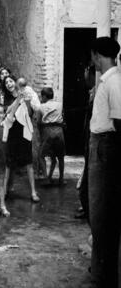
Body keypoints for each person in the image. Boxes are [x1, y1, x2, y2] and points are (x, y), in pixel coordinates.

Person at [88, 37, 121, 288]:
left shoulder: (114, 82)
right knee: (94, 206)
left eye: (93, 55)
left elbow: (118, 121)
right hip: (99, 143)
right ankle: (99, 265)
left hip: (106, 145)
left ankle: (104, 273)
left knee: (102, 211)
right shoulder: (106, 81)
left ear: (97, 55)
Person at [3, 75, 40, 202]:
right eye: (6, 82)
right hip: (12, 132)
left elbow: (30, 113)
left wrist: (26, 100)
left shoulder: (27, 94)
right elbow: (7, 112)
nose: (9, 84)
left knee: (28, 162)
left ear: (16, 83)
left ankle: (33, 192)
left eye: (11, 81)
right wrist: (18, 99)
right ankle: (5, 190)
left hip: (24, 132)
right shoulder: (6, 98)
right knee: (9, 163)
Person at [37, 87, 66, 185]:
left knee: (41, 155)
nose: (41, 98)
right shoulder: (60, 105)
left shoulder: (41, 107)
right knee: (60, 157)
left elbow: (38, 121)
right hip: (59, 131)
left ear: (44, 96)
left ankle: (46, 178)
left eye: (42, 96)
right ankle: (61, 179)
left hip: (47, 131)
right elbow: (62, 117)